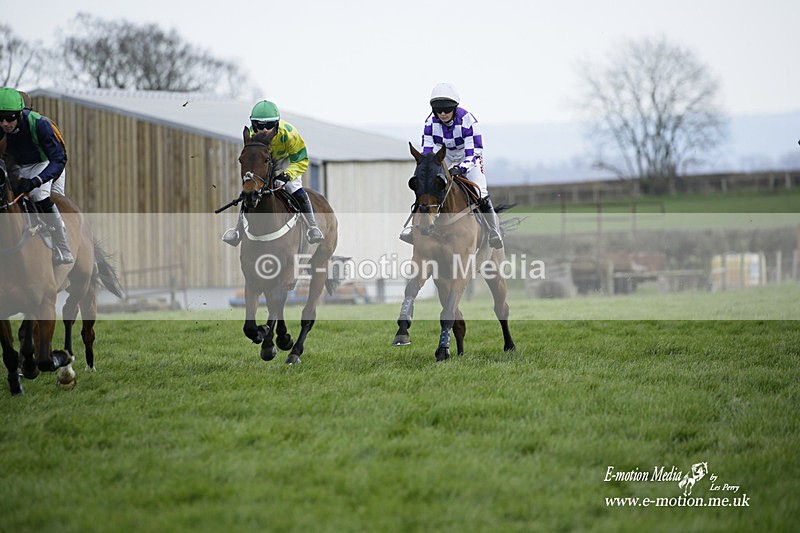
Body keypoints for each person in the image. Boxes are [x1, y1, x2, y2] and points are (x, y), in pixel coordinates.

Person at [400, 82, 503, 249]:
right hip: (444, 156)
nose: (442, 113)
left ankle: (493, 231)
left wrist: (461, 168)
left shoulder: (468, 121)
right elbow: (428, 152)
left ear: (454, 108)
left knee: (480, 191)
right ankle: (414, 229)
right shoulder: (430, 123)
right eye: (438, 110)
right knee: (426, 186)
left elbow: (474, 152)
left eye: (447, 109)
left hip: (468, 156)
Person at [222, 100, 324, 246]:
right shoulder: (251, 134)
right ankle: (238, 230)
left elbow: (301, 160)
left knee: (293, 188)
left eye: (269, 125)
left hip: (286, 161)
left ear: (276, 124)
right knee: (250, 189)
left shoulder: (290, 134)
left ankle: (312, 227)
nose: (264, 130)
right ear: (253, 125)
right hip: (263, 162)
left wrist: (286, 175)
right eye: (259, 126)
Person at [0, 87, 73, 264]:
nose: (4, 124)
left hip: (46, 163)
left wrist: (36, 181)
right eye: (0, 118)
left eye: (9, 118)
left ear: (20, 114)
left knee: (39, 194)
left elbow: (59, 159)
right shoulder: (2, 127)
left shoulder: (39, 124)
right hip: (18, 166)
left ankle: (63, 246)